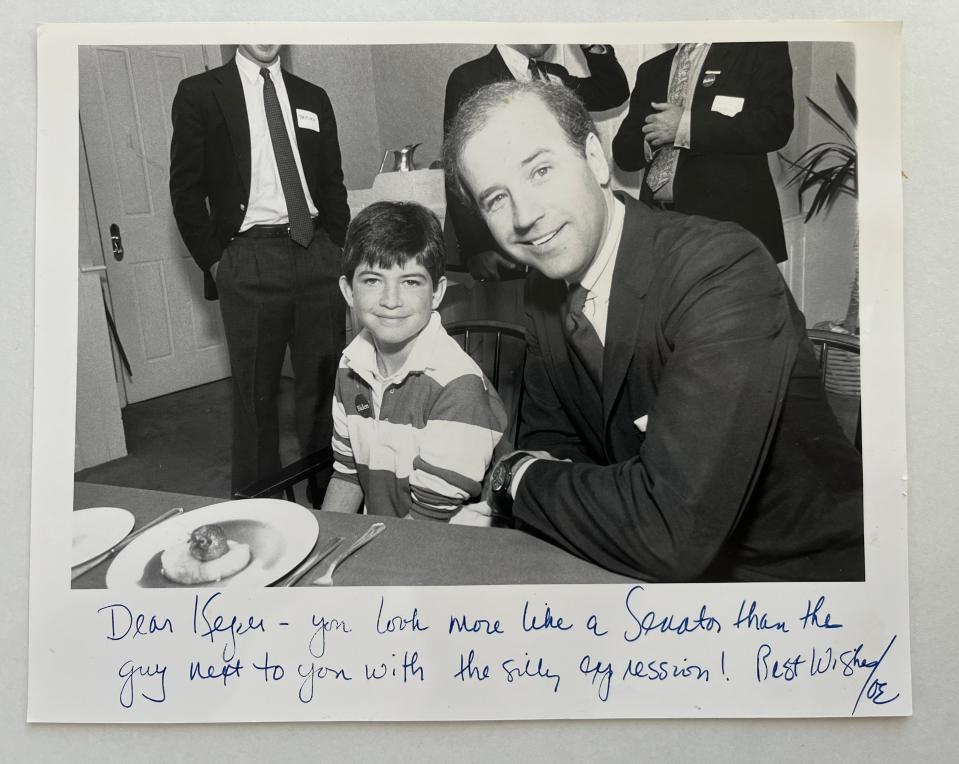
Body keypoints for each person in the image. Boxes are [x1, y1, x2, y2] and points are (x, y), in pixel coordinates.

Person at [443, 79, 864, 582]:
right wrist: (554, 480)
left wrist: (511, 476)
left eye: (541, 170)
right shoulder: (543, 292)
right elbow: (558, 449)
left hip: (799, 582)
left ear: (596, 160)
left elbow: (672, 531)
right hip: (634, 562)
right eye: (495, 199)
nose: (525, 215)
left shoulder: (722, 268)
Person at [169, 44, 349, 499]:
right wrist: (217, 262)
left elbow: (332, 183)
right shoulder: (200, 94)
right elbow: (185, 191)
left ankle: (332, 496)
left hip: (317, 256)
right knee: (255, 398)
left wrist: (338, 248)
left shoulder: (315, 96)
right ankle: (261, 508)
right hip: (247, 259)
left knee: (325, 391)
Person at [320, 201, 508, 521]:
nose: (390, 300)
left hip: (446, 549)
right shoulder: (349, 367)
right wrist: (324, 547)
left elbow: (427, 521)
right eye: (372, 280)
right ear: (348, 291)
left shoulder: (457, 384)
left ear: (436, 293)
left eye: (410, 282)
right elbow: (347, 473)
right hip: (392, 536)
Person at [444, 44, 629, 283]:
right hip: (506, 248)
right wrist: (476, 248)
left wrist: (592, 45)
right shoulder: (469, 76)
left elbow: (612, 91)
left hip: (559, 231)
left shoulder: (554, 74)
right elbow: (458, 170)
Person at [612, 42, 794, 263]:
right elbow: (623, 152)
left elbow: (775, 125)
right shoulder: (652, 69)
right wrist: (653, 139)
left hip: (727, 234)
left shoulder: (757, 49)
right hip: (659, 228)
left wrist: (686, 126)